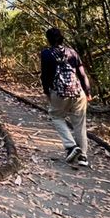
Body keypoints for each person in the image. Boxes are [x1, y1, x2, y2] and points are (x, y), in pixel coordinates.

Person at [41, 27, 92, 167]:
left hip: (59, 92)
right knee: (80, 124)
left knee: (56, 116)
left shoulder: (46, 53)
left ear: (48, 39)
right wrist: (87, 92)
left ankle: (71, 146)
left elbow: (45, 75)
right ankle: (83, 157)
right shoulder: (72, 52)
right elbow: (82, 74)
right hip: (78, 92)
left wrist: (46, 92)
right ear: (62, 38)